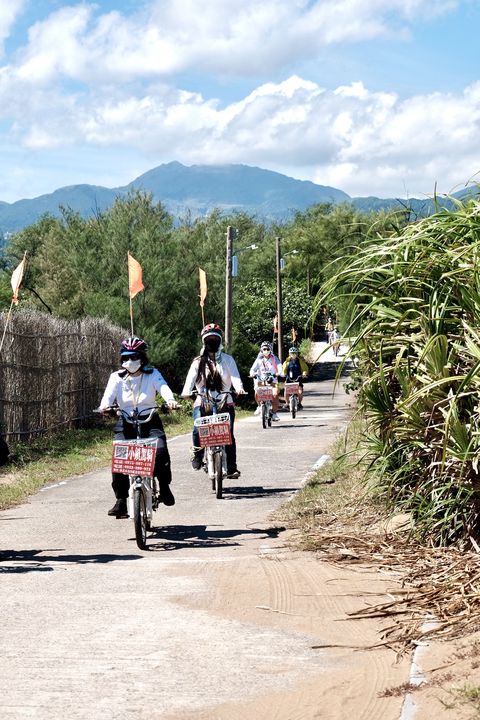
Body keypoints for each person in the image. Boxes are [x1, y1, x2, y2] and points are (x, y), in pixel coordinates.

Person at [99, 336, 177, 517]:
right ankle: (121, 500)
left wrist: (170, 401)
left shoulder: (152, 374)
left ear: (142, 358)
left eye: (134, 357)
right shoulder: (116, 377)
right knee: (119, 457)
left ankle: (164, 486)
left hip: (150, 421)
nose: (130, 361)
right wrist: (105, 407)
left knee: (161, 452)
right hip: (125, 422)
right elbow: (108, 397)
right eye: (126, 358)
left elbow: (163, 387)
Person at [181, 323, 245, 479]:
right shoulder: (197, 362)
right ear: (204, 341)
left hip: (225, 400)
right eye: (208, 339)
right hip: (202, 402)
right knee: (197, 429)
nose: (212, 342)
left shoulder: (228, 360)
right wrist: (187, 392)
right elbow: (190, 381)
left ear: (220, 340)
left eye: (215, 339)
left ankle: (231, 466)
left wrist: (239, 388)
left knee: (228, 432)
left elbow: (235, 378)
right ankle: (197, 454)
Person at [249, 341, 281, 421]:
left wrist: (278, 373)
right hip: (261, 381)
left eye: (267, 349)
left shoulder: (274, 359)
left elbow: (280, 367)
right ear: (261, 350)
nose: (266, 350)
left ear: (270, 349)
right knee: (257, 393)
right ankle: (259, 406)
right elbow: (252, 369)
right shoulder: (259, 360)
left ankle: (274, 413)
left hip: (272, 381)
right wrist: (253, 374)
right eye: (264, 349)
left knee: (275, 394)